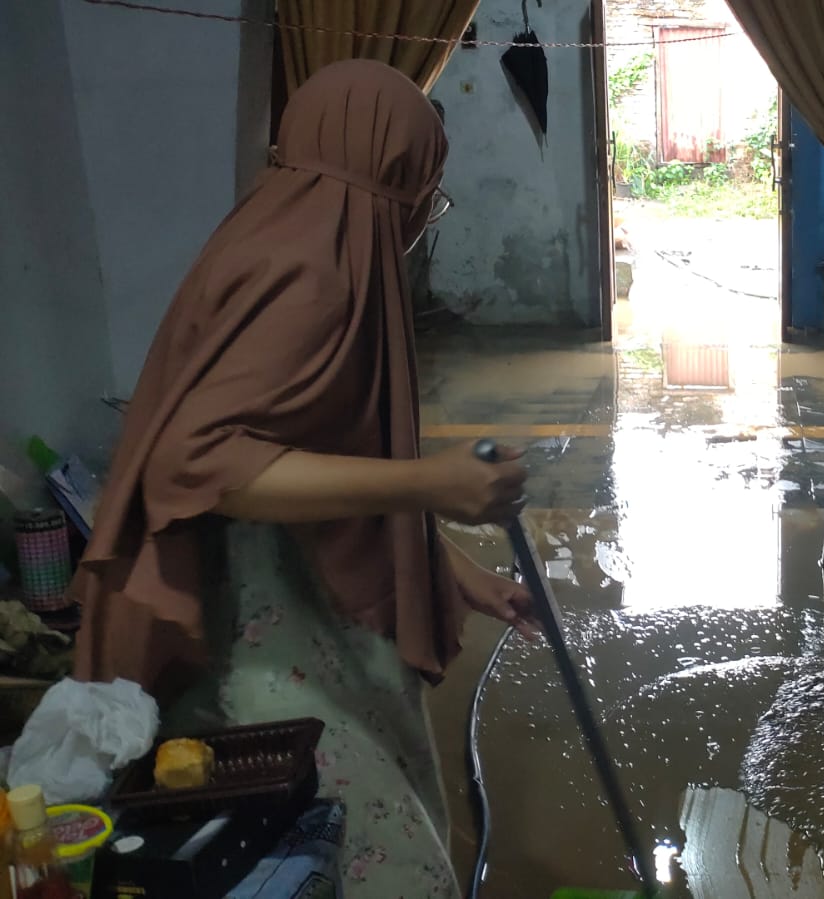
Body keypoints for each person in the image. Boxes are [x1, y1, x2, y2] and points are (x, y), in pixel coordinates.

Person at [69, 60, 538, 897]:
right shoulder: (315, 276)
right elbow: (204, 463)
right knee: (368, 859)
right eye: (424, 187)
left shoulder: (278, 233)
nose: (424, 211)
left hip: (294, 604)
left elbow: (310, 448)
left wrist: (456, 572)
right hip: (270, 641)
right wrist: (430, 484)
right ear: (401, 180)